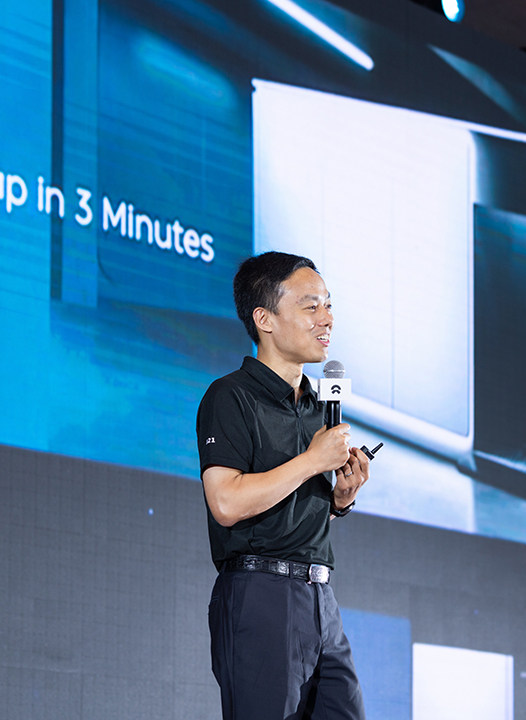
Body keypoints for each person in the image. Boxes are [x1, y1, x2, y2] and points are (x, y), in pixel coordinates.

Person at [196, 251, 369, 719]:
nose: (327, 319)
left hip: (321, 599)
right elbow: (226, 501)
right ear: (264, 319)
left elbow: (295, 499)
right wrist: (312, 461)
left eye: (328, 305)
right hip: (260, 594)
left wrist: (339, 498)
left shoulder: (319, 408)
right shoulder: (231, 396)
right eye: (311, 306)